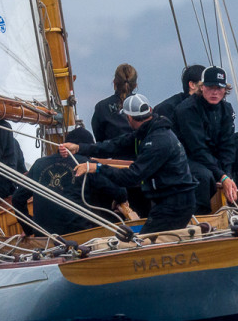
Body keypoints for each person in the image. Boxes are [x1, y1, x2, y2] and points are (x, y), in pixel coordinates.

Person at [65, 93, 199, 234]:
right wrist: (80, 148)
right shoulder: (147, 132)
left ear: (129, 118)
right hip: (170, 202)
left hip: (175, 205)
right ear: (150, 111)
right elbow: (114, 145)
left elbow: (132, 176)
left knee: (145, 242)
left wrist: (97, 168)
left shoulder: (157, 141)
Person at [173, 65, 238, 212]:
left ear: (225, 90)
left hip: (215, 153)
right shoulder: (187, 110)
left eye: (219, 88)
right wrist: (222, 177)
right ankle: (205, 214)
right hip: (192, 156)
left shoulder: (226, 109)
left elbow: (227, 145)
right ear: (202, 87)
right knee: (205, 175)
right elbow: (198, 149)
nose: (215, 92)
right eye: (210, 87)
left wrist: (227, 174)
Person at [11, 144, 126, 237]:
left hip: (44, 237)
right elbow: (120, 193)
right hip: (79, 235)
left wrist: (29, 229)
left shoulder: (38, 164)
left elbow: (17, 198)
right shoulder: (86, 165)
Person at [91, 63, 138, 142]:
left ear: (114, 83)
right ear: (135, 85)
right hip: (139, 153)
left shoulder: (101, 107)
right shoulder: (142, 106)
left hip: (111, 153)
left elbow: (99, 139)